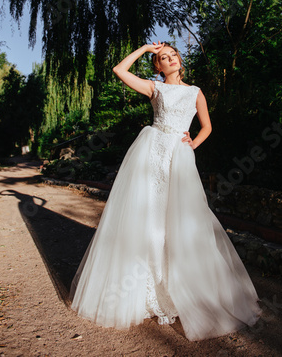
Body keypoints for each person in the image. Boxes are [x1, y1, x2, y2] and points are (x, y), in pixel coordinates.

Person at [70, 41, 262, 341]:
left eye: (173, 55)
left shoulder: (195, 91)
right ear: (157, 66)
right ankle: (143, 294)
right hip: (151, 154)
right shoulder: (154, 88)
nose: (170, 59)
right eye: (163, 58)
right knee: (148, 220)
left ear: (180, 61)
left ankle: (185, 291)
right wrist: (146, 48)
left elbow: (206, 127)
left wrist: (192, 146)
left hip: (179, 157)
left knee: (183, 221)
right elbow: (119, 69)